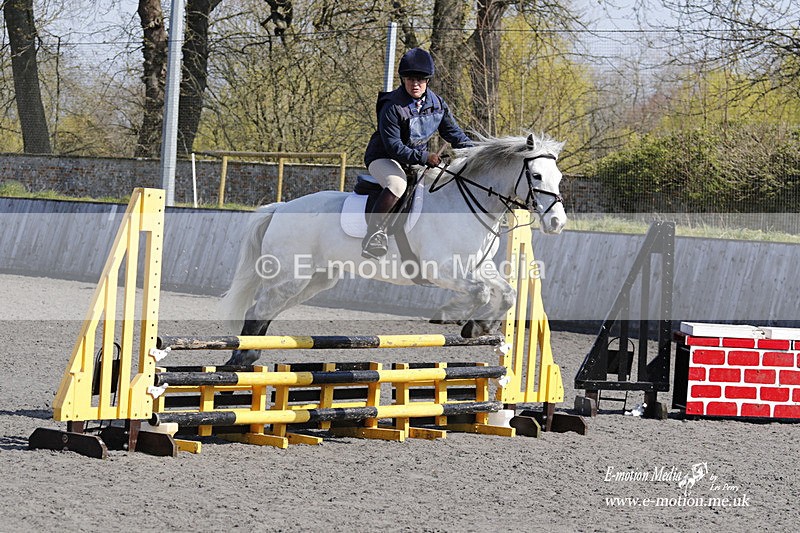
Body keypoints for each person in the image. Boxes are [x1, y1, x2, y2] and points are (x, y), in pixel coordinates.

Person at [362, 47, 473, 259]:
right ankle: (373, 235)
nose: (415, 84)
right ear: (403, 79)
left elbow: (455, 135)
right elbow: (394, 145)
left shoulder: (437, 104)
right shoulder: (392, 106)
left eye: (420, 79)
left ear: (428, 81)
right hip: (384, 157)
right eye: (410, 79)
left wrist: (478, 151)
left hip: (413, 161)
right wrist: (424, 157)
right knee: (398, 184)